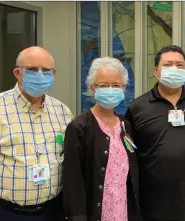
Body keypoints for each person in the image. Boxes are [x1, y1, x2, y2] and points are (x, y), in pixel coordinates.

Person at [0, 46, 74, 221]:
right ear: (17, 73)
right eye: (32, 70)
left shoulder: (62, 111)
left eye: (46, 70)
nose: (40, 75)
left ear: (54, 74)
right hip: (6, 212)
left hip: (52, 210)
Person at [125, 45, 185, 221]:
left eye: (180, 65)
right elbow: (129, 152)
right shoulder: (138, 107)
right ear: (156, 71)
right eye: (168, 65)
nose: (174, 69)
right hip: (153, 204)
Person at [62, 57, 141, 221]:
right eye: (103, 85)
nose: (110, 90)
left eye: (116, 85)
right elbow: (73, 180)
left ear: (124, 89)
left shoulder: (124, 124)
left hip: (124, 211)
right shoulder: (79, 127)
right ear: (92, 88)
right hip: (96, 213)